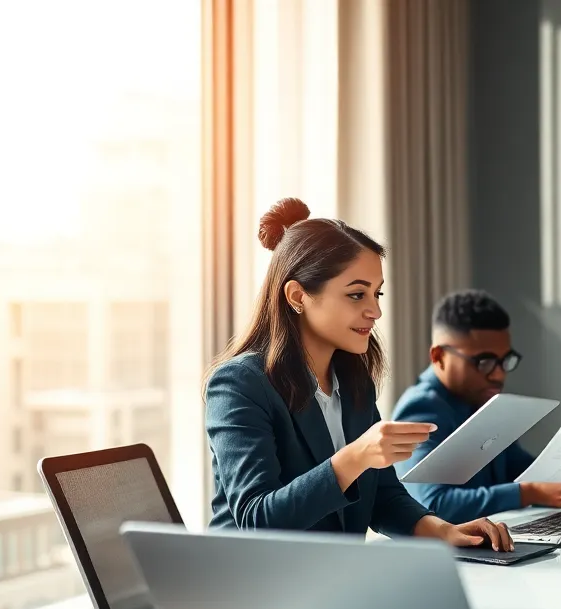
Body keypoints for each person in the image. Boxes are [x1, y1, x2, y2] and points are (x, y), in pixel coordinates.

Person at [204, 198, 513, 551]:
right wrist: (356, 456)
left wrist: (446, 531)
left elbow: (383, 497)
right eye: (356, 294)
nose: (376, 310)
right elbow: (257, 519)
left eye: (376, 293)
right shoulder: (239, 385)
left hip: (331, 580)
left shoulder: (353, 383)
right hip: (252, 586)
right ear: (297, 296)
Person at [391, 290, 561, 523]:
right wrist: (530, 492)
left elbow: (520, 469)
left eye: (505, 360)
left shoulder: (481, 400)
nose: (498, 374)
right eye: (484, 362)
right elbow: (431, 505)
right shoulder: (420, 409)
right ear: (439, 356)